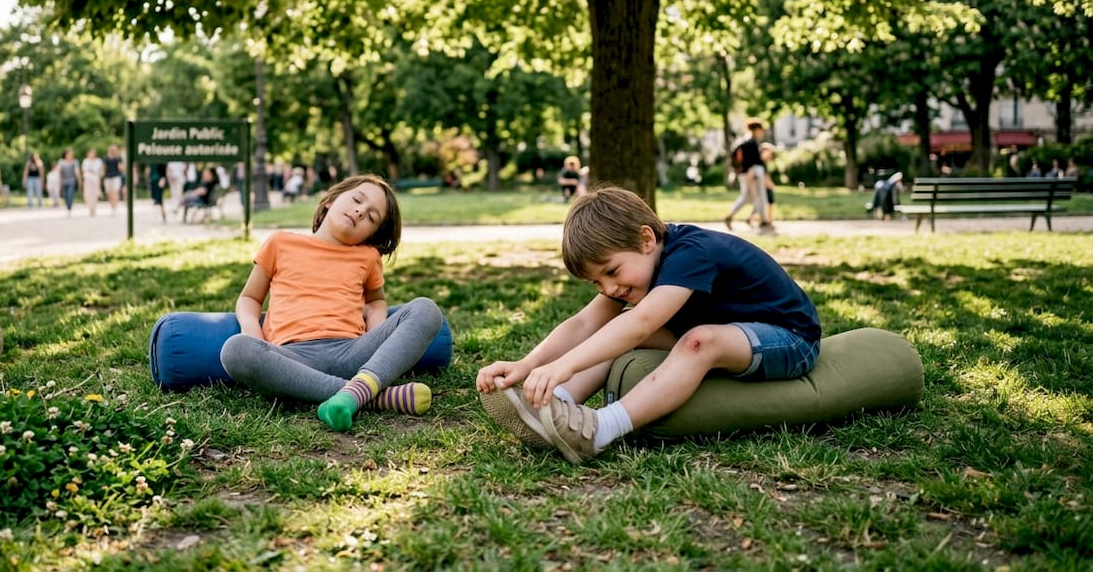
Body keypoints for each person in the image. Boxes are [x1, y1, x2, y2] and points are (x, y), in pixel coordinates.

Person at [476, 186, 821, 463]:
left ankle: (600, 429)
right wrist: (529, 364)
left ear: (646, 240)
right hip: (732, 332)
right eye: (597, 282)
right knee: (616, 329)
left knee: (699, 340)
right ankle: (555, 408)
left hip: (788, 339)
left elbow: (642, 323)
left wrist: (565, 364)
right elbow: (584, 323)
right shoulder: (639, 261)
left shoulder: (691, 252)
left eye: (611, 272)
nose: (609, 288)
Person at [218, 175, 444, 432]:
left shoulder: (367, 257)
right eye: (357, 200)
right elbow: (250, 298)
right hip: (293, 358)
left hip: (352, 353)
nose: (360, 211)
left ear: (372, 233)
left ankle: (358, 389)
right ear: (330, 200)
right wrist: (252, 331)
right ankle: (369, 396)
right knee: (236, 349)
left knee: (426, 309)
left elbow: (376, 302)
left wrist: (376, 332)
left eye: (372, 217)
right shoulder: (280, 243)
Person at [723, 119, 769, 230]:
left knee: (747, 197)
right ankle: (761, 219)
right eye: (761, 130)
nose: (762, 132)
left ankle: (745, 217)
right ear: (756, 129)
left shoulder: (741, 141)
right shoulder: (751, 142)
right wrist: (751, 173)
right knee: (759, 196)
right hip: (752, 174)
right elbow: (754, 161)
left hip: (743, 173)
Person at [749, 143, 777, 227]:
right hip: (763, 186)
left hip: (764, 185)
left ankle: (762, 218)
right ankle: (767, 219)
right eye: (769, 152)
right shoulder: (759, 162)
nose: (770, 155)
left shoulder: (763, 163)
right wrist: (770, 185)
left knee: (764, 203)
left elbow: (766, 175)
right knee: (768, 202)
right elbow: (764, 176)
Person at [102, 144, 125, 215]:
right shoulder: (105, 158)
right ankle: (112, 206)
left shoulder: (118, 158)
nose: (112, 151)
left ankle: (114, 207)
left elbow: (122, 169)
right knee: (109, 193)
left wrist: (118, 163)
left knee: (115, 192)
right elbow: (103, 168)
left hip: (116, 177)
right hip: (108, 177)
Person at [81, 148, 104, 217]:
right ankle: (90, 207)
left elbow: (99, 170)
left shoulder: (98, 161)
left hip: (95, 179)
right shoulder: (85, 161)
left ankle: (94, 208)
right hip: (88, 179)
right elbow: (85, 170)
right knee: (88, 194)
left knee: (95, 194)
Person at [58, 149, 80, 215]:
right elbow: (59, 171)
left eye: (71, 154)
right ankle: (68, 207)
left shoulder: (75, 162)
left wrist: (79, 181)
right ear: (65, 155)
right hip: (64, 181)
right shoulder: (61, 162)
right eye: (69, 154)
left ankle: (69, 209)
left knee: (70, 195)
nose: (71, 155)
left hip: (71, 181)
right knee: (65, 196)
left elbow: (77, 172)